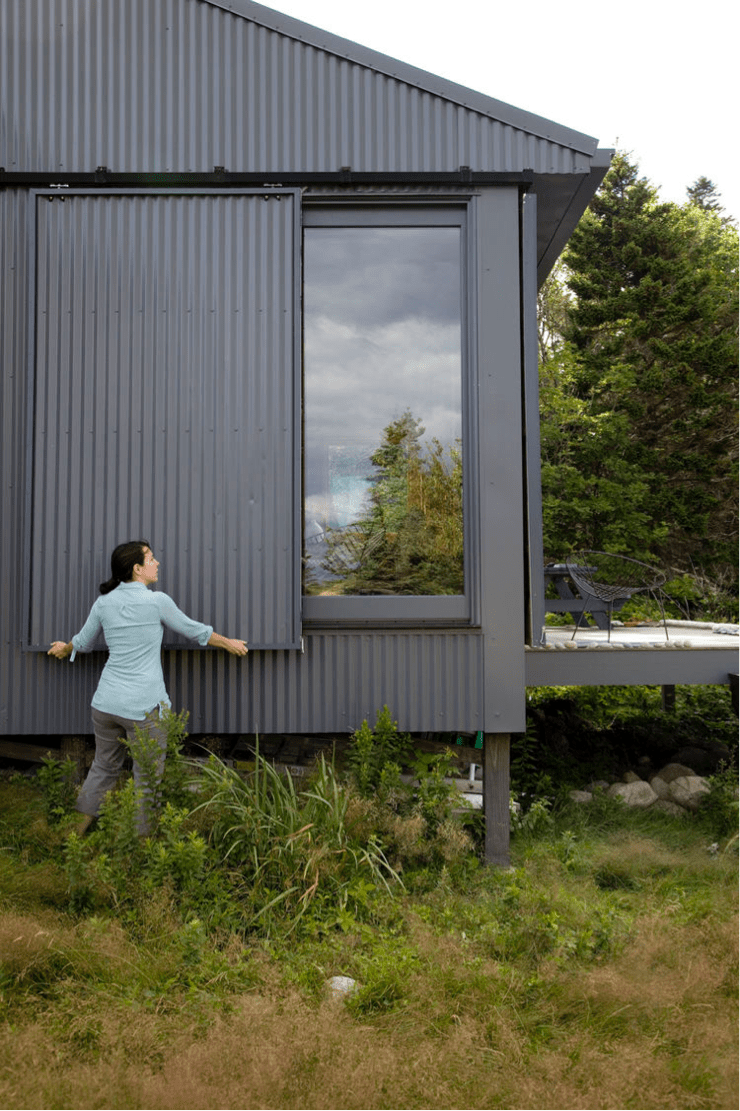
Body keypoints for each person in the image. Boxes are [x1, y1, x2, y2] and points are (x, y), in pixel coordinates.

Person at [48, 539, 247, 834]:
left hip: (105, 705)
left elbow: (83, 642)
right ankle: (143, 847)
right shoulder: (156, 602)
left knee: (103, 767)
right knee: (148, 780)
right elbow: (194, 630)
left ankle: (72, 836)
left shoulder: (103, 603)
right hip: (143, 709)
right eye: (151, 559)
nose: (157, 563)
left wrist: (64, 649)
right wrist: (228, 643)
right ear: (137, 569)